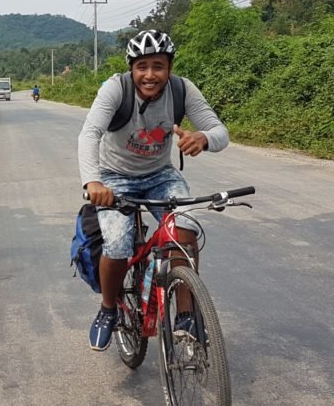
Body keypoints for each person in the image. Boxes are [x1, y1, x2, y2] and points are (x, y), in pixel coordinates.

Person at [77, 30, 229, 351]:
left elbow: (219, 131)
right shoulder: (115, 89)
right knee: (117, 244)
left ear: (169, 68)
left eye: (158, 66)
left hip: (160, 175)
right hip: (115, 176)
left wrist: (203, 138)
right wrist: (93, 182)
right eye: (142, 66)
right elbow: (90, 134)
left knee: (184, 229)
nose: (150, 75)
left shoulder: (182, 90)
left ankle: (186, 316)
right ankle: (108, 309)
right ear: (131, 68)